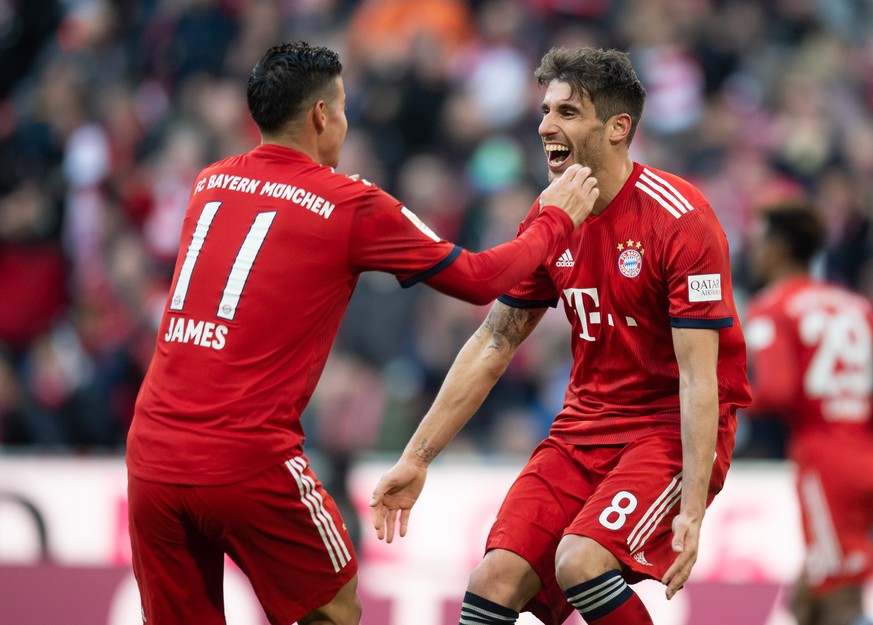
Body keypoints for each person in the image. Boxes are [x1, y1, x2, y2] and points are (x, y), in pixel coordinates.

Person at [125, 41, 599, 625]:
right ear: (321, 115)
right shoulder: (348, 203)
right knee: (336, 610)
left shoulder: (209, 183)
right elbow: (479, 280)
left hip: (151, 453)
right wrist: (557, 217)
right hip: (246, 457)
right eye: (343, 107)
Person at [370, 46, 751, 625]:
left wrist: (692, 508)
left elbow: (701, 377)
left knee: (580, 563)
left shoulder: (680, 219)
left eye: (568, 112)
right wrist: (417, 457)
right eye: (546, 110)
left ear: (618, 127)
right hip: (582, 428)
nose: (546, 125)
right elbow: (494, 343)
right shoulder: (551, 217)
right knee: (493, 580)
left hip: (666, 434)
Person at [744, 201, 873, 625]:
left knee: (840, 601)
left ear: (779, 248)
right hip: (863, 452)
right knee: (807, 600)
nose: (755, 250)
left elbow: (775, 393)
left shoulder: (773, 306)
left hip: (826, 462)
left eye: (761, 241)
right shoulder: (854, 306)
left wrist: (721, 394)